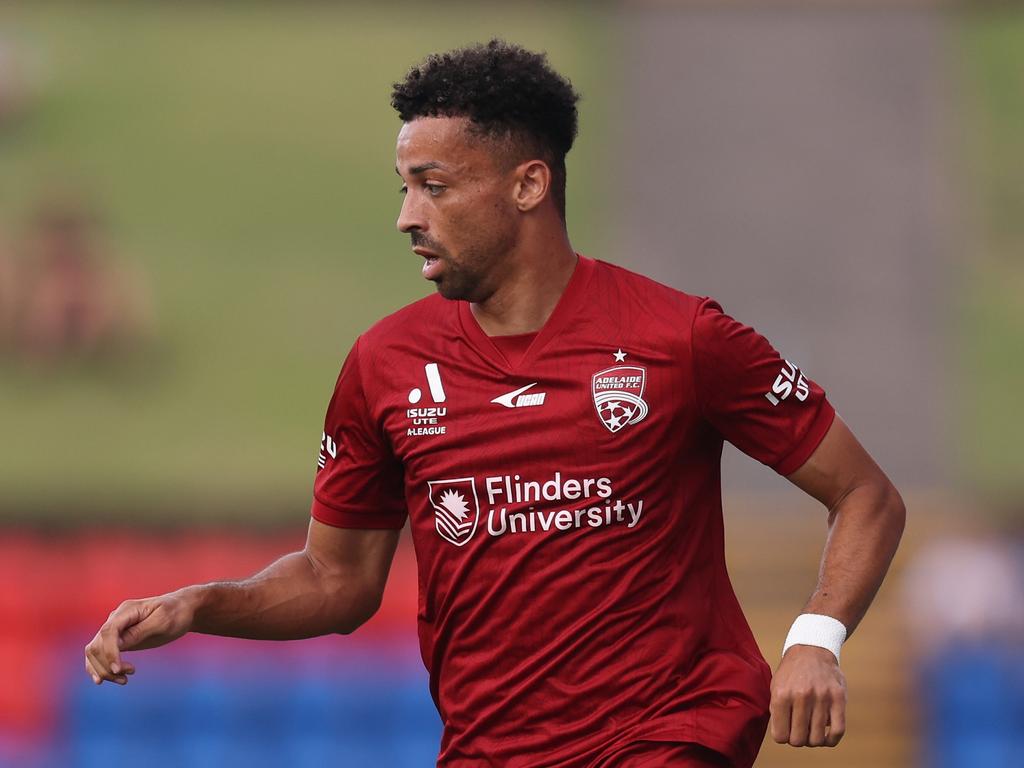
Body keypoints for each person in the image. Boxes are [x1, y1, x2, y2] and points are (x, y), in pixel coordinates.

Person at [84, 40, 906, 768]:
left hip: (672, 730)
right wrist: (199, 605)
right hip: (489, 748)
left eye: (434, 186)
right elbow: (338, 581)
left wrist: (815, 641)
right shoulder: (386, 365)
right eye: (405, 187)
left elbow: (865, 494)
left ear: (528, 185)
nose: (407, 217)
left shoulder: (681, 337)